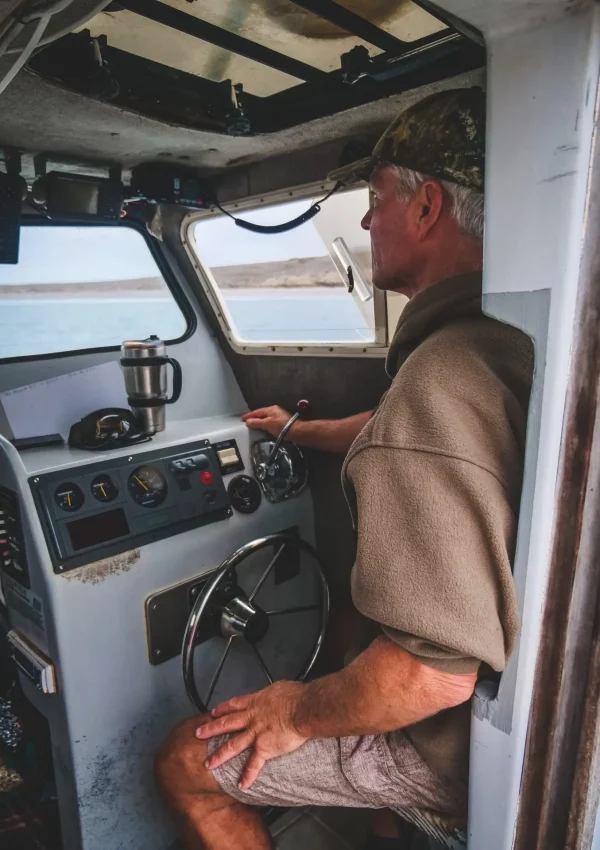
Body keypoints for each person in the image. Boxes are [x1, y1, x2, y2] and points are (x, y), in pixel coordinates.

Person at [155, 87, 534, 850]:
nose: (364, 222)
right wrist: (298, 429)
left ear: (427, 207)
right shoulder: (503, 342)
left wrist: (294, 712)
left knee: (187, 762)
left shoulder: (440, 378)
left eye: (376, 198)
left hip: (466, 742)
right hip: (527, 689)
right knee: (348, 635)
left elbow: (433, 674)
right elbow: (408, 432)